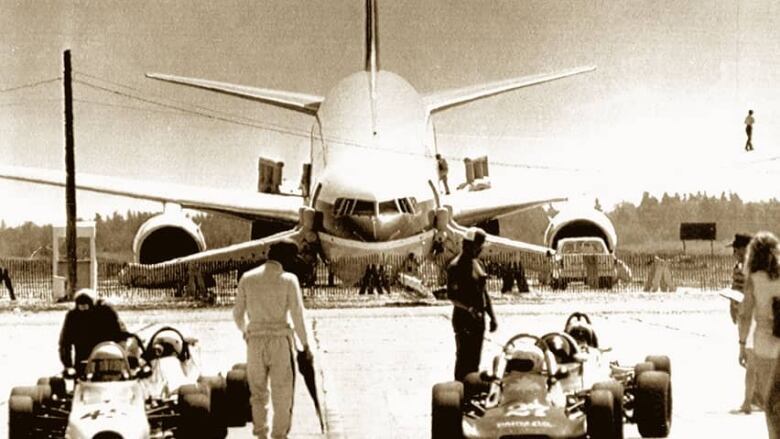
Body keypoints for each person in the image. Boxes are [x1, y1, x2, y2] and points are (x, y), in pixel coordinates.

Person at [234, 240, 312, 439]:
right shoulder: (288, 280)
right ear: (285, 258)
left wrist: (246, 332)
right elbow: (298, 316)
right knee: (282, 394)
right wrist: (305, 345)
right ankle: (279, 436)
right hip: (279, 342)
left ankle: (261, 435)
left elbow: (237, 314)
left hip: (255, 342)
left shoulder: (247, 278)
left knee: (258, 394)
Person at [738, 232, 780, 437]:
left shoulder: (753, 279)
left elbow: (745, 314)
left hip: (765, 345)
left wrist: (742, 344)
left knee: (770, 402)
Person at [447, 227, 498, 381]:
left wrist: (492, 316)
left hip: (478, 319)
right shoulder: (456, 266)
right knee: (464, 359)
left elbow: (484, 292)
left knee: (475, 359)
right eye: (479, 245)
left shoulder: (478, 264)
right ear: (468, 245)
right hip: (464, 320)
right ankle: (460, 390)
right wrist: (470, 309)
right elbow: (452, 296)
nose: (481, 249)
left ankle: (471, 389)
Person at [58, 288, 126, 376]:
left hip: (108, 358)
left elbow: (122, 336)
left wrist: (122, 359)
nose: (83, 312)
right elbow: (65, 343)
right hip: (82, 360)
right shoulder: (72, 317)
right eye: (80, 307)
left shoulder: (106, 313)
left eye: (85, 307)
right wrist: (68, 366)